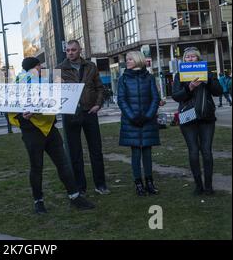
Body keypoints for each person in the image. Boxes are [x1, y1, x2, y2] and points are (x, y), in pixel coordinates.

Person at [9, 57, 95, 214]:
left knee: (63, 163)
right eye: (38, 66)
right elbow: (11, 109)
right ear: (31, 68)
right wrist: (23, 117)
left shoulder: (44, 81)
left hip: (50, 129)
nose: (41, 68)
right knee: (37, 167)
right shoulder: (19, 84)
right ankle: (38, 201)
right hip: (32, 132)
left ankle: (75, 196)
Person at [56, 40, 109, 195]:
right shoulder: (59, 69)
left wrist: (98, 104)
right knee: (74, 153)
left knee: (96, 150)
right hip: (70, 114)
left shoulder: (91, 66)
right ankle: (80, 187)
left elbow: (100, 88)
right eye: (68, 50)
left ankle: (100, 184)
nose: (70, 52)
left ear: (80, 50)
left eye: (73, 50)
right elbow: (55, 91)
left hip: (90, 112)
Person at [172, 47, 223, 195]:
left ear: (198, 59)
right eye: (187, 57)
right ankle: (198, 185)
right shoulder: (179, 75)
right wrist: (190, 87)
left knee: (206, 151)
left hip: (206, 117)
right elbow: (176, 96)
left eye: (193, 57)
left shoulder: (207, 72)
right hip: (187, 117)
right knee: (193, 150)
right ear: (184, 60)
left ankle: (208, 186)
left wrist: (208, 80)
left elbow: (218, 91)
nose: (190, 59)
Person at [117, 51, 161, 196]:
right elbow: (121, 100)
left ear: (137, 60)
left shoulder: (149, 78)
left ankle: (150, 183)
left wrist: (148, 116)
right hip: (131, 122)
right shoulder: (123, 79)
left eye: (129, 59)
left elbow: (155, 98)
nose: (127, 61)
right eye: (126, 59)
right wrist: (133, 117)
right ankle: (138, 184)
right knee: (135, 154)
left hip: (147, 122)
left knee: (147, 153)